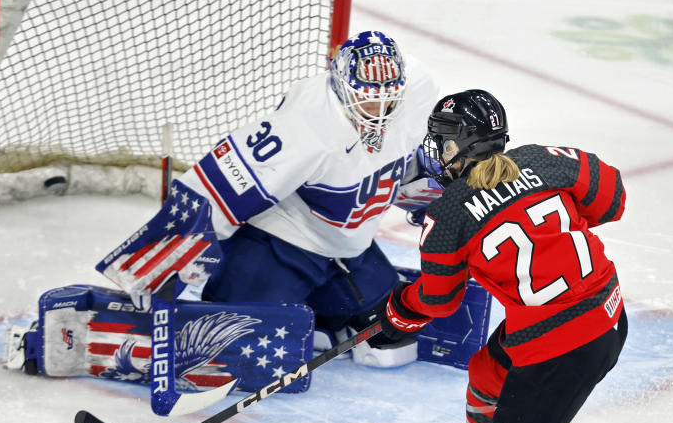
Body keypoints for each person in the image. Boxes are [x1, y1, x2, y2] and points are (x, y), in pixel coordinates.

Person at [371, 89, 666, 423]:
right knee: (488, 368)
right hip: (606, 312)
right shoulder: (544, 161)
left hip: (566, 344)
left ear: (461, 147)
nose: (436, 151)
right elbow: (613, 196)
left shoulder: (446, 219)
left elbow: (438, 301)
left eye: (442, 143)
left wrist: (398, 312)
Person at [99, 30, 441, 369]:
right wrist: (158, 267)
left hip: (349, 248)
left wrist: (441, 197)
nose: (379, 109)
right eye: (366, 97)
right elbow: (219, 188)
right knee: (240, 341)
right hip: (280, 243)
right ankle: (241, 290)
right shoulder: (305, 127)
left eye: (389, 96)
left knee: (389, 328)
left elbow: (406, 166)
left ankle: (324, 311)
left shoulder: (418, 93)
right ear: (340, 87)